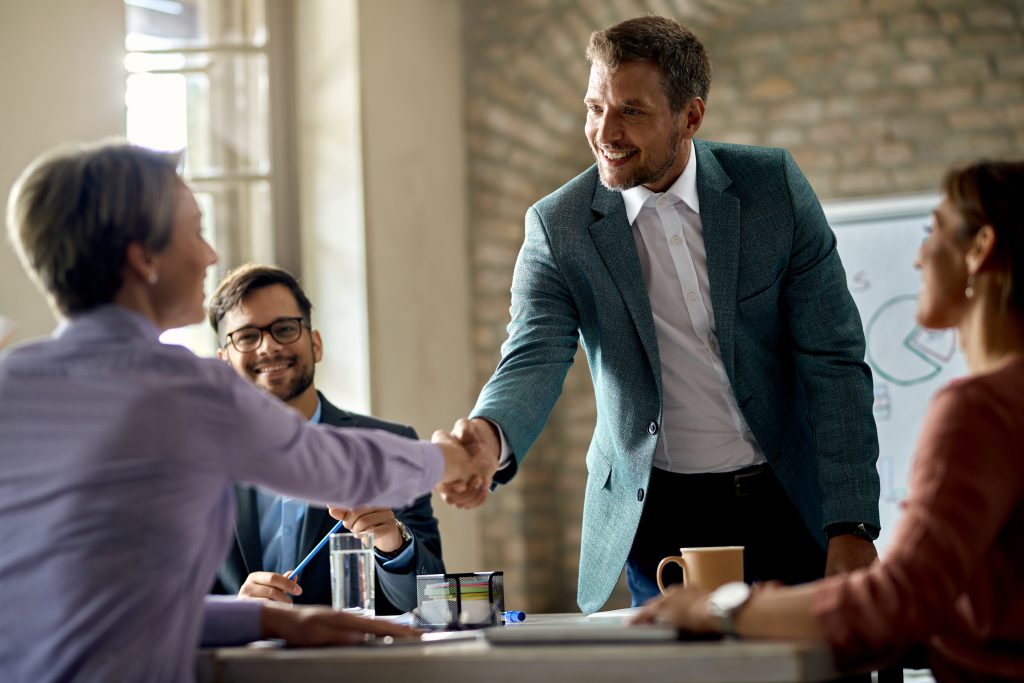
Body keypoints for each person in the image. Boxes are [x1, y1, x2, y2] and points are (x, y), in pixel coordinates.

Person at [0, 140, 484, 682]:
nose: (209, 255)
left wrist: (268, 620)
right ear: (143, 257)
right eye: (195, 229)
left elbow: (96, 614)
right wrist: (451, 459)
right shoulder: (183, 386)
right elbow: (338, 465)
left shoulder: (8, 382)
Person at [442, 15, 880, 613]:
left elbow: (833, 360)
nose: (605, 131)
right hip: (660, 517)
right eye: (595, 107)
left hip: (787, 495)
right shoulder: (558, 225)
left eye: (632, 111)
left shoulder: (771, 188)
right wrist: (488, 437)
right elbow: (533, 355)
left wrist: (851, 523)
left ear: (691, 116)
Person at [633, 160, 1024, 680]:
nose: (919, 256)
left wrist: (715, 608)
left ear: (979, 250)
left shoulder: (979, 411)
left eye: (936, 232)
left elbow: (900, 601)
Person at [207, 263, 445, 612]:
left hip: (356, 665)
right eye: (246, 336)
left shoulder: (392, 445)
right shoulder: (197, 465)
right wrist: (234, 612)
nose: (268, 347)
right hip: (240, 664)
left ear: (316, 344)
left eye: (285, 328)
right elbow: (170, 604)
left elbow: (432, 601)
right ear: (224, 363)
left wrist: (391, 540)